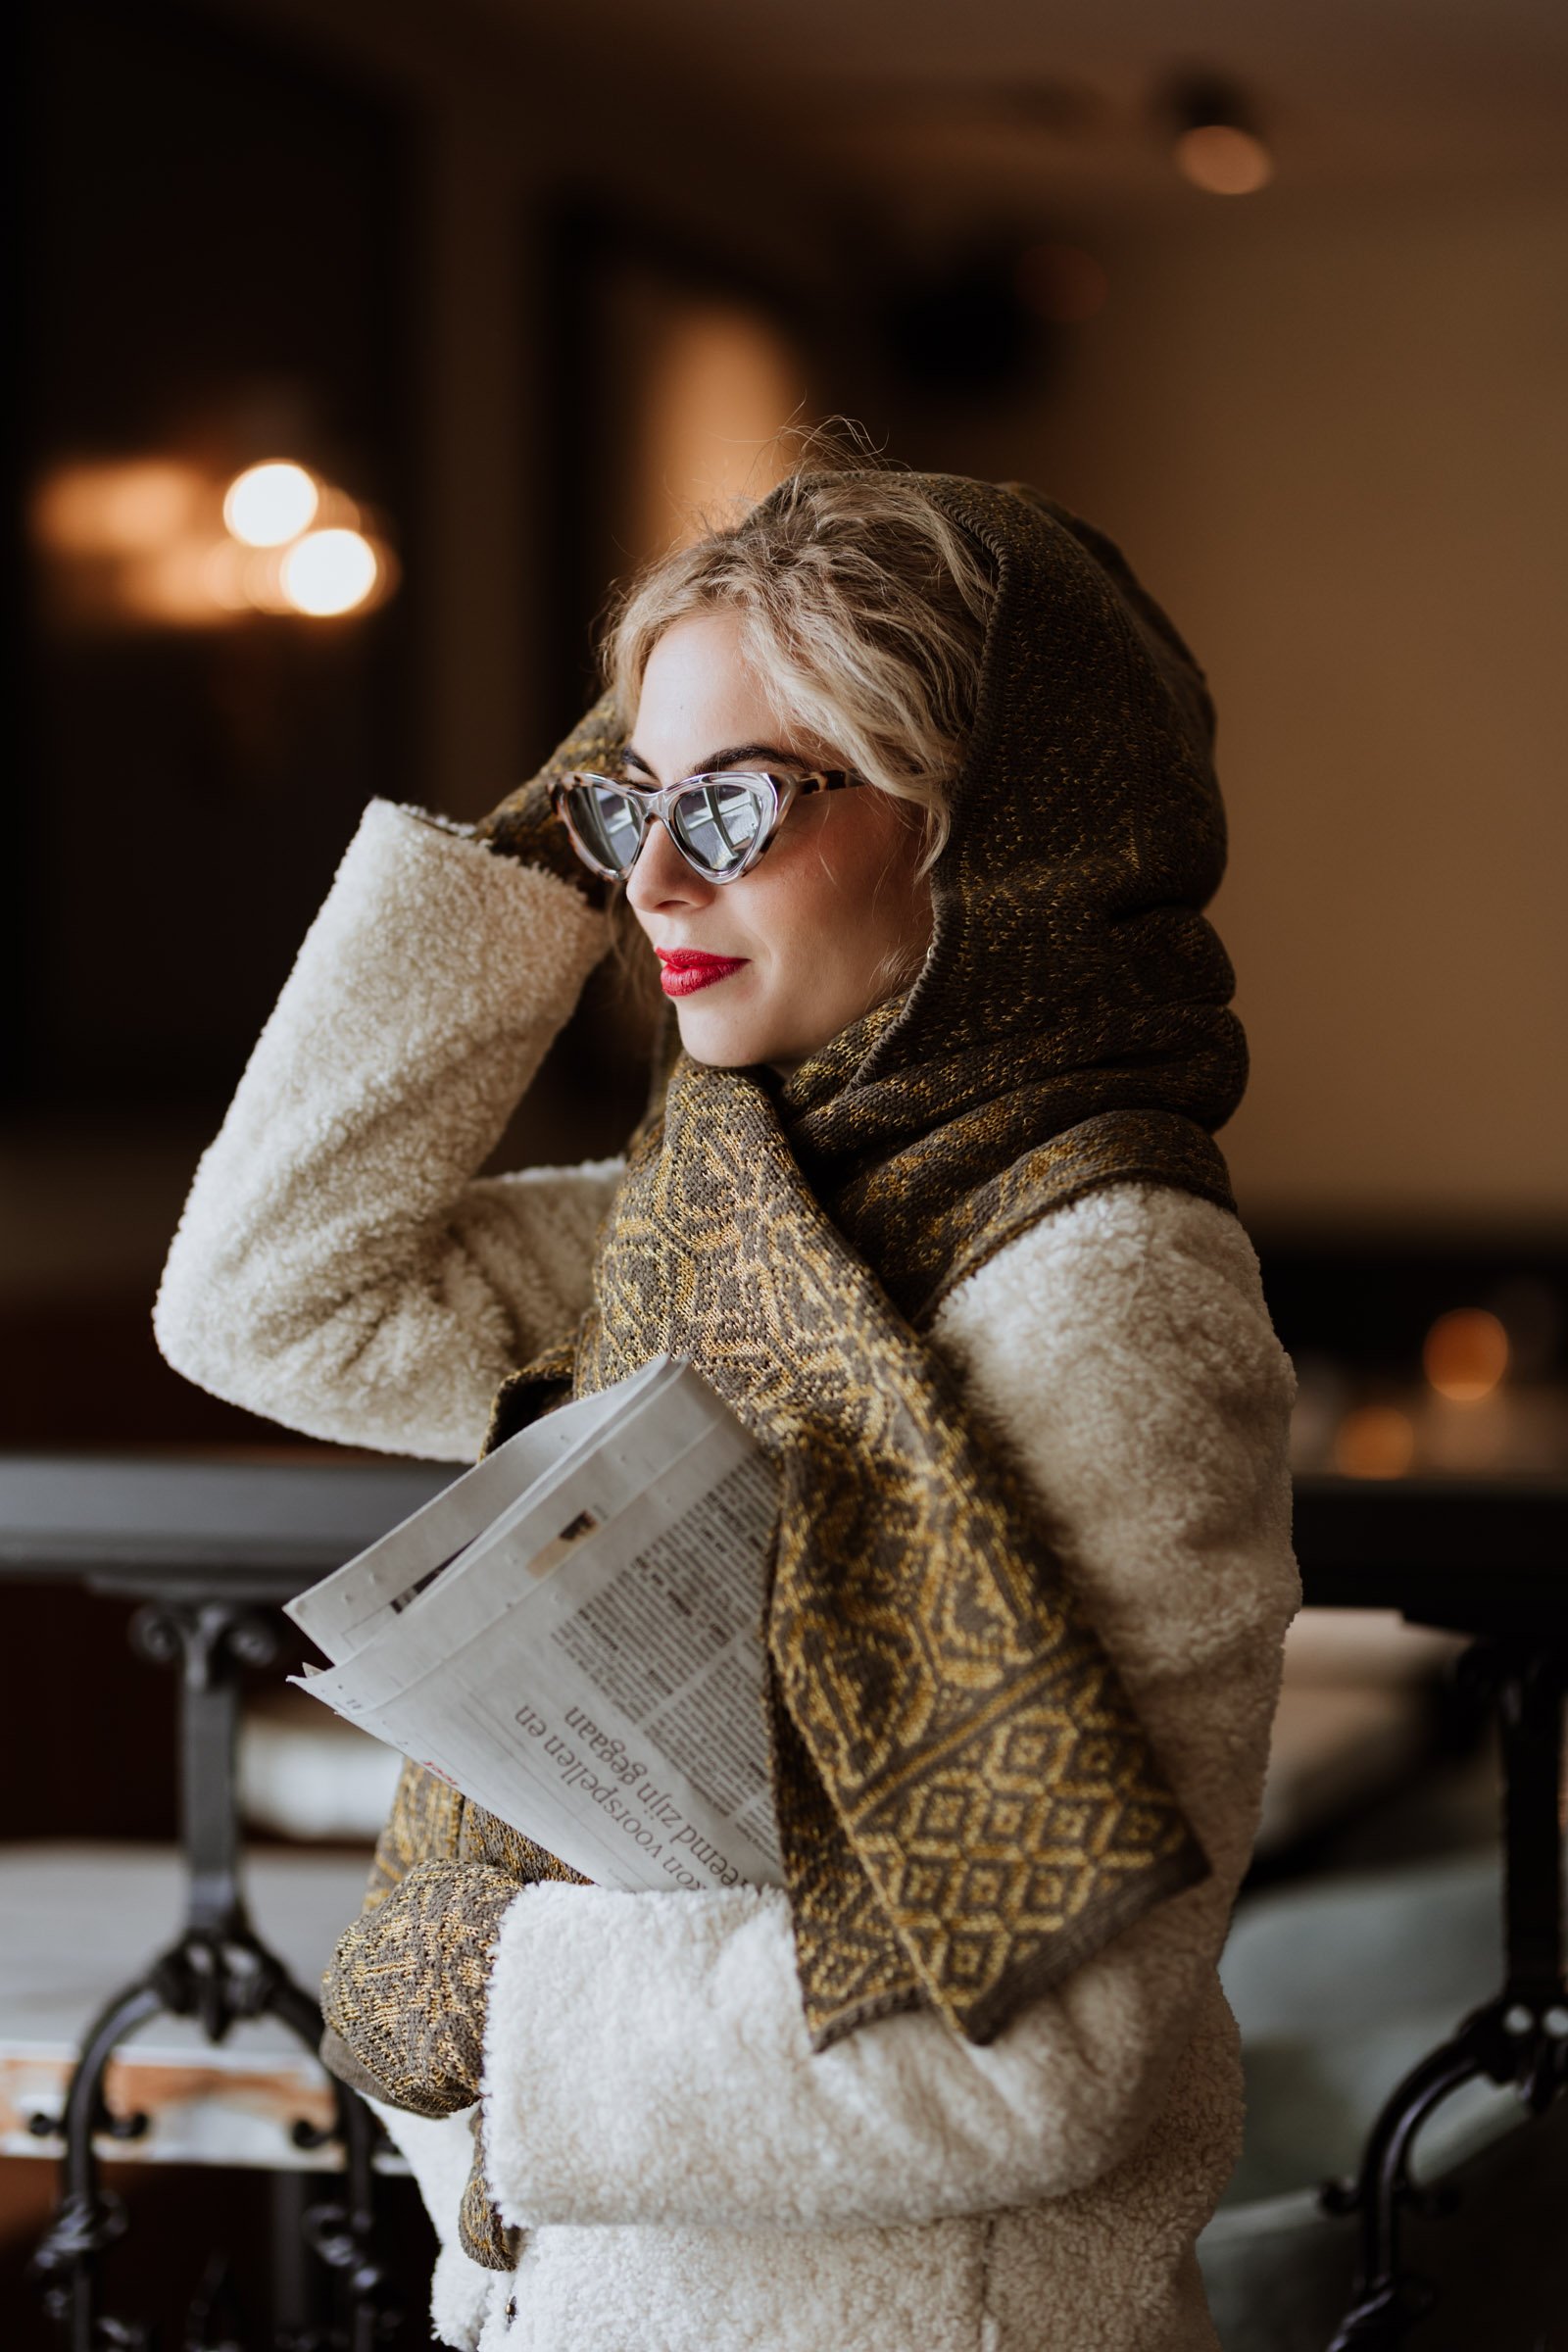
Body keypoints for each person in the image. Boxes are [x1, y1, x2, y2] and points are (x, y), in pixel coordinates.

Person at [155, 463, 1299, 2352]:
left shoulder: (1107, 1295)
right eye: (629, 805)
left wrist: (496, 2001)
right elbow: (268, 1294)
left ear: (987, 825)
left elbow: (1032, 2053)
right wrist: (572, 815)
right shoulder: (709, 1227)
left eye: (742, 803)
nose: (654, 884)